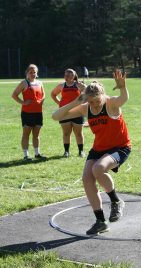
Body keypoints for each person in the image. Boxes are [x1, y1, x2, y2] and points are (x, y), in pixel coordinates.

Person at [52, 69, 131, 235]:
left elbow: (123, 99)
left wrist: (123, 87)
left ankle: (116, 201)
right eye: (91, 102)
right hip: (99, 148)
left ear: (103, 95)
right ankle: (101, 221)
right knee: (87, 179)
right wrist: (76, 101)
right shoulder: (85, 107)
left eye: (97, 101)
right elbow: (56, 116)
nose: (95, 104)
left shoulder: (110, 103)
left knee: (98, 169)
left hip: (120, 147)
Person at [12, 64, 46, 161]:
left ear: (37, 73)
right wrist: (23, 102)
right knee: (26, 134)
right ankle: (26, 155)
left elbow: (43, 94)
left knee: (36, 134)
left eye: (34, 72)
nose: (32, 74)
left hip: (38, 112)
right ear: (27, 73)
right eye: (30, 72)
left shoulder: (39, 82)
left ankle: (37, 153)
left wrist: (42, 100)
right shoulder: (24, 83)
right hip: (27, 113)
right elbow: (14, 95)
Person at [51, 68, 86, 157]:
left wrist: (84, 87)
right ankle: (66, 152)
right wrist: (60, 103)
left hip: (77, 112)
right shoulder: (61, 86)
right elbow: (53, 94)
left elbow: (87, 93)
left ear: (74, 76)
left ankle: (81, 151)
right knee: (66, 133)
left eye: (70, 75)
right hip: (64, 113)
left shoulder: (78, 85)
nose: (67, 77)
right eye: (66, 75)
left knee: (78, 133)